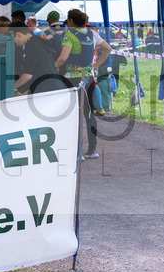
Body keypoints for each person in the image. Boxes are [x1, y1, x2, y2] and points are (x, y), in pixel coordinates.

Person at [55, 9, 111, 159]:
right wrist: (96, 65)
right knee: (89, 114)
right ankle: (92, 149)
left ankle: (78, 151)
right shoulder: (92, 33)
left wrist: (53, 66)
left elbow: (63, 58)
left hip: (73, 80)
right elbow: (108, 49)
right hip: (89, 78)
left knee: (75, 115)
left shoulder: (70, 35)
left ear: (71, 21)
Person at [12, 26, 65, 95]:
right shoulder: (39, 41)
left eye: (14, 39)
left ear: (18, 34)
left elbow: (28, 75)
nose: (14, 43)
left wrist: (12, 87)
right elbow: (40, 70)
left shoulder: (30, 44)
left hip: (46, 91)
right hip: (55, 87)